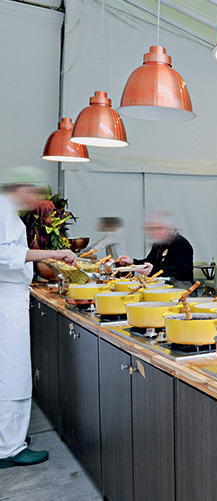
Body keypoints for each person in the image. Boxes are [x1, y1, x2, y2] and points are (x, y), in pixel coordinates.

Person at [0, 167, 77, 468]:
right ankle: (10, 449)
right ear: (21, 188)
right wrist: (52, 255)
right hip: (8, 301)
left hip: (11, 298)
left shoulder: (8, 212)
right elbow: (6, 254)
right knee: (14, 374)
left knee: (10, 372)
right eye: (33, 193)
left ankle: (9, 439)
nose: (35, 201)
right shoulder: (4, 211)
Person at [117, 213, 194, 288]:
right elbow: (150, 262)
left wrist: (153, 271)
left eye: (158, 228)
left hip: (180, 288)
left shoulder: (181, 244)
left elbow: (182, 271)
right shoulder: (159, 244)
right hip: (161, 286)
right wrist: (132, 261)